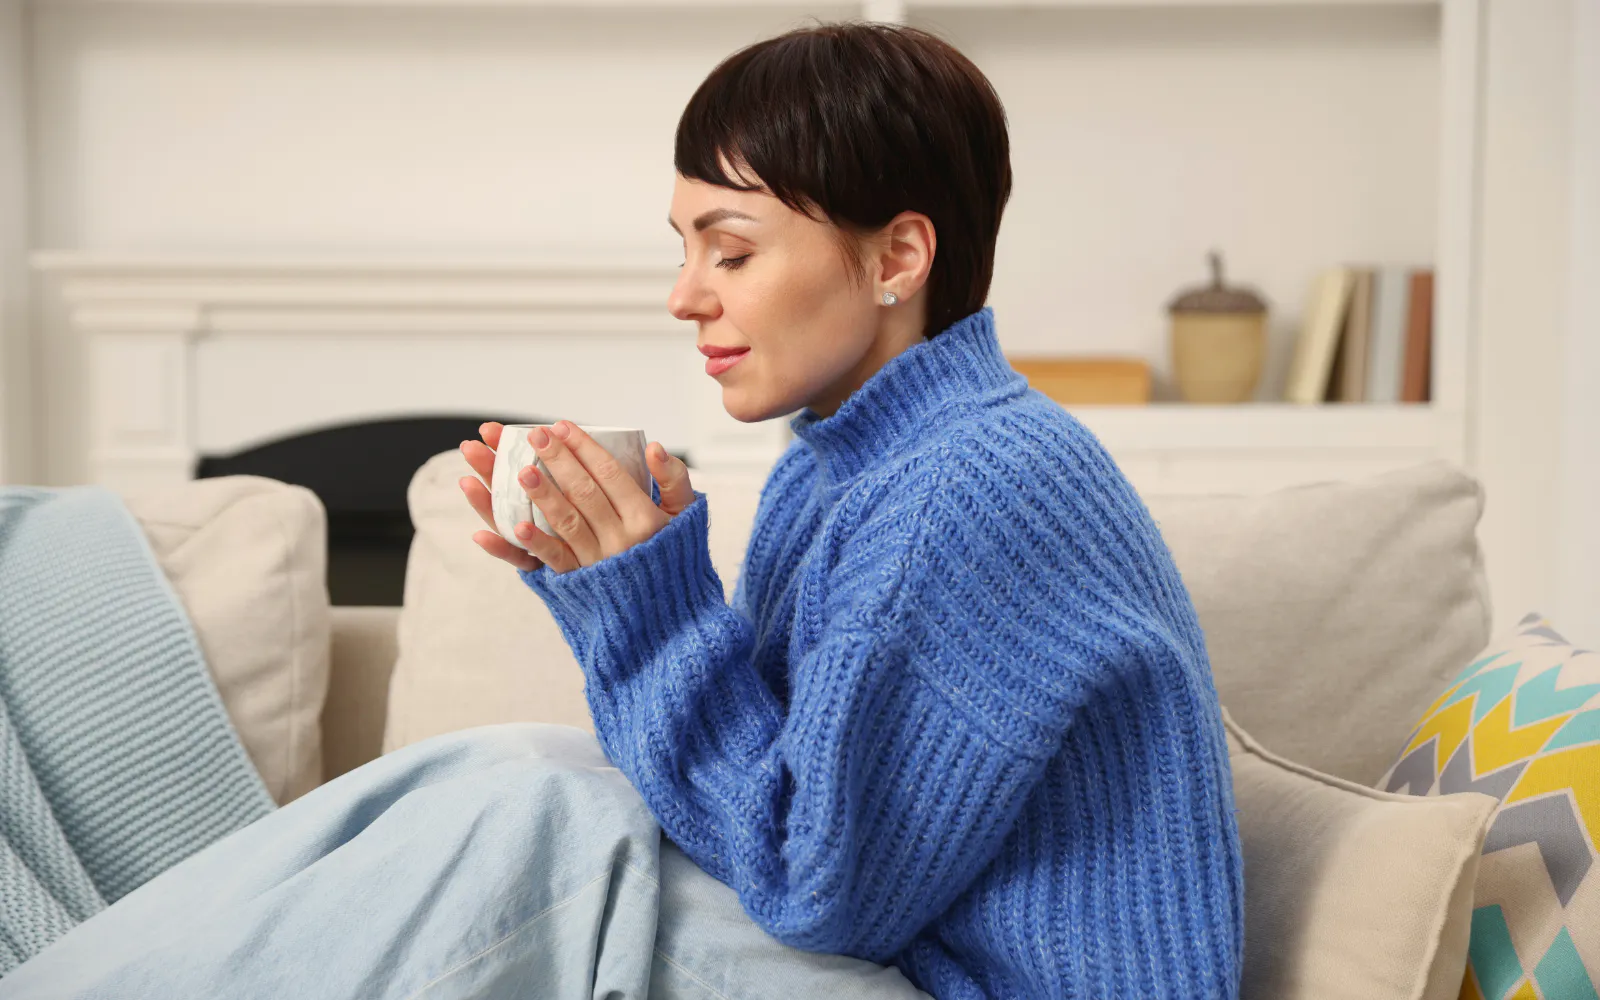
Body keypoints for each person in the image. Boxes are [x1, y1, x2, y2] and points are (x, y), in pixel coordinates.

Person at [1, 20, 1244, 1000]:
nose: (684, 296)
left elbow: (820, 886)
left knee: (541, 815)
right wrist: (609, 579)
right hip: (901, 959)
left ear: (896, 259)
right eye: (683, 248)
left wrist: (647, 600)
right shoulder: (853, 459)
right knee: (508, 761)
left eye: (732, 249)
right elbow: (764, 794)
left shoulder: (976, 486)